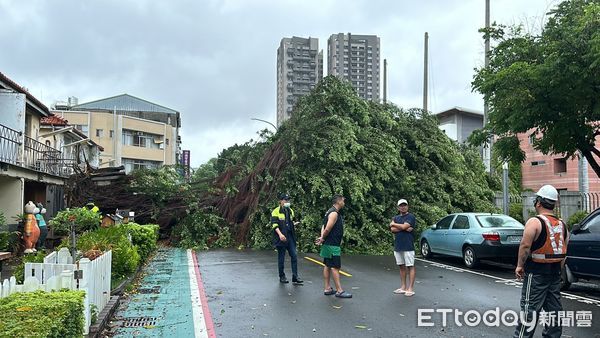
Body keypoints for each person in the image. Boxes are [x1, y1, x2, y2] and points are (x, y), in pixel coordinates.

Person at [513, 185, 568, 338]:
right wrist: (558, 271)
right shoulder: (562, 225)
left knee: (529, 311)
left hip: (536, 273)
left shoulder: (534, 222)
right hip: (555, 273)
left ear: (538, 202)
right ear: (554, 204)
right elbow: (563, 252)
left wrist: (519, 265)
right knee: (554, 312)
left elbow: (525, 246)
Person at [316, 195, 352, 298]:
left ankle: (327, 288)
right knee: (336, 267)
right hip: (332, 245)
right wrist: (322, 238)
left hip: (328, 244)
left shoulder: (329, 211)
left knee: (327, 265)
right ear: (339, 202)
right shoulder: (334, 213)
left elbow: (323, 226)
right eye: (343, 200)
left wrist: (322, 237)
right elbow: (327, 228)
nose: (344, 202)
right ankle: (339, 291)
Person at [271, 193, 303, 284]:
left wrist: (294, 224)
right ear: (280, 201)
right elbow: (275, 225)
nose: (287, 202)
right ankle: (282, 276)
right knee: (281, 257)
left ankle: (295, 276)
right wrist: (280, 235)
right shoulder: (276, 211)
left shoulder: (290, 211)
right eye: (285, 200)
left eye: (288, 200)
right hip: (281, 238)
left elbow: (290, 222)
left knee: (294, 255)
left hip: (290, 237)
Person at [390, 199, 416, 297]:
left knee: (410, 266)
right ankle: (403, 287)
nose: (403, 207)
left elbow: (405, 226)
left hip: (408, 246)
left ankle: (410, 288)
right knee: (401, 266)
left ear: (407, 206)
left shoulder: (411, 217)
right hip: (398, 246)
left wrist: (395, 225)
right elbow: (392, 229)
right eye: (401, 205)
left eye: (405, 205)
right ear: (398, 207)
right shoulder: (396, 217)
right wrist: (403, 228)